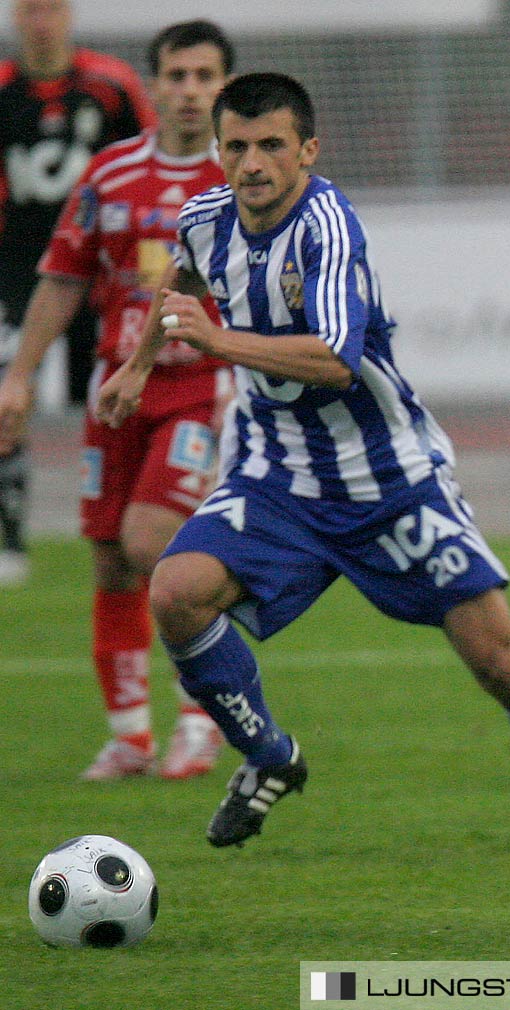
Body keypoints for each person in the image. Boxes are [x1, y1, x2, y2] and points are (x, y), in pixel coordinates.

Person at [94, 73, 510, 852]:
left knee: (500, 663)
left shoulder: (328, 226)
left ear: (307, 149)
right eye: (237, 147)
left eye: (272, 145)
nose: (253, 164)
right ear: (218, 152)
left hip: (390, 483)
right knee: (176, 592)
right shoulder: (206, 219)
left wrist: (216, 342)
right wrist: (141, 364)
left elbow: (336, 359)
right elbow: (178, 282)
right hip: (277, 476)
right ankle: (270, 756)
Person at [0, 20, 235, 781]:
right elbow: (64, 277)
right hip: (116, 389)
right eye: (178, 75)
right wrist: (20, 375)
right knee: (109, 560)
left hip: (199, 389)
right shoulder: (109, 173)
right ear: (154, 85)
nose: (191, 91)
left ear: (224, 87)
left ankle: (202, 720)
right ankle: (131, 737)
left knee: (150, 542)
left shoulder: (239, 182)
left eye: (206, 77)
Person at [0, 0, 154, 586]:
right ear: (17, 18)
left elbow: (151, 163)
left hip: (102, 273)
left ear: (69, 15)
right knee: (10, 394)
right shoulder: (4, 90)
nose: (42, 21)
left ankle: (130, 518)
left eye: (52, 9)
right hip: (19, 271)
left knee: (115, 392)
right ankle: (12, 534)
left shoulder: (112, 85)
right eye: (30, 10)